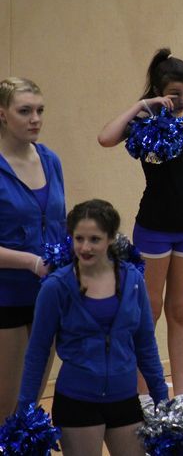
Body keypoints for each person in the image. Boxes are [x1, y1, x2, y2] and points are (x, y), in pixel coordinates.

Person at [97, 48, 183, 402]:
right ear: (159, 91)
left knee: (179, 310)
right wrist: (142, 106)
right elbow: (106, 138)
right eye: (173, 93)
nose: (181, 99)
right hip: (154, 226)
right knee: (149, 310)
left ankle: (181, 393)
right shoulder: (145, 121)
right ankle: (143, 392)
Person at [17, 199, 168, 456]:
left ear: (110, 239)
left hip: (125, 397)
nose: (85, 247)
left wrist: (162, 399)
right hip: (77, 402)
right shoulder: (56, 287)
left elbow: (145, 344)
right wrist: (25, 410)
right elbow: (38, 352)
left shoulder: (133, 280)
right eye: (79, 238)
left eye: (94, 239)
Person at [0, 77, 66, 418]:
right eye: (25, 111)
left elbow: (60, 223)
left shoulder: (50, 160)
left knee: (30, 405)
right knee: (5, 405)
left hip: (46, 294)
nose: (35, 119)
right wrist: (30, 262)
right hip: (6, 296)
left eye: (40, 110)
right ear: (2, 114)